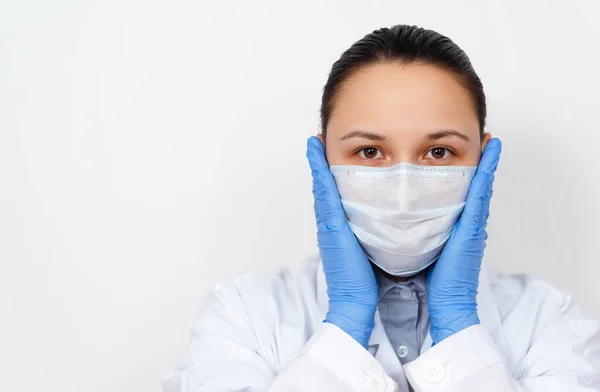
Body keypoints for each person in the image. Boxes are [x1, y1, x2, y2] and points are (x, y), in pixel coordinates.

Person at [163, 25, 600, 392]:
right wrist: (346, 324)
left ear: (483, 161)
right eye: (370, 151)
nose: (405, 191)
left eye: (439, 152)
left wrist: (459, 323)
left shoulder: (548, 322)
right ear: (322, 159)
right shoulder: (243, 317)